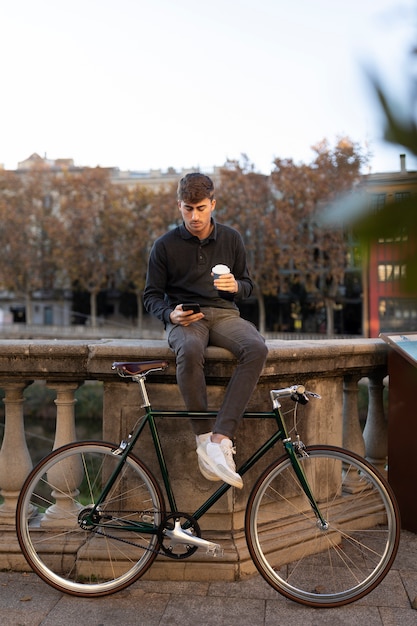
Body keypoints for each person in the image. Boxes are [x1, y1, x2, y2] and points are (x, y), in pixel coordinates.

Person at [143, 172, 268, 489]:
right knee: (191, 350)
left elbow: (249, 285)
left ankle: (220, 438)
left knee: (256, 348)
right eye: (188, 208)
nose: (194, 216)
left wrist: (235, 286)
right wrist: (170, 314)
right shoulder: (164, 246)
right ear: (179, 206)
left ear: (213, 204)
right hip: (187, 317)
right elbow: (151, 296)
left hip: (225, 313)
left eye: (200, 208)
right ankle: (202, 439)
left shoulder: (231, 239)